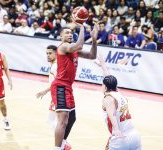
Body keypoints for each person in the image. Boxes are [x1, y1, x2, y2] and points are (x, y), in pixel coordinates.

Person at [51, 22, 98, 150]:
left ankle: (63, 143)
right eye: (67, 33)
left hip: (68, 87)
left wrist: (94, 40)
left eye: (71, 32)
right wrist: (82, 27)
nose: (70, 34)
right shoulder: (63, 46)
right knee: (63, 119)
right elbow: (80, 44)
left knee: (72, 117)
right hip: (60, 86)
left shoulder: (74, 50)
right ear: (61, 37)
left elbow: (92, 55)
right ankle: (57, 148)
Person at [95, 55, 141, 150]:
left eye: (102, 84)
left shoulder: (108, 98)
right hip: (135, 136)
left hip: (120, 138)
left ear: (106, 87)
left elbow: (112, 115)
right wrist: (103, 65)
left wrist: (116, 129)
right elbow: (108, 77)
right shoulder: (119, 94)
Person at [36, 45, 71, 150]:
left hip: (58, 95)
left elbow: (57, 83)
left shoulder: (56, 66)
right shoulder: (55, 64)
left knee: (55, 121)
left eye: (50, 53)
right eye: (46, 53)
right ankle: (64, 143)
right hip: (56, 95)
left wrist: (44, 91)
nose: (47, 55)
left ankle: (64, 143)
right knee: (54, 121)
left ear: (56, 53)